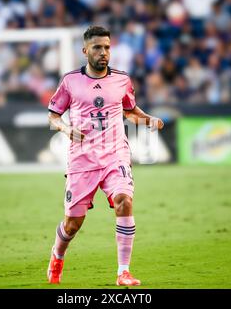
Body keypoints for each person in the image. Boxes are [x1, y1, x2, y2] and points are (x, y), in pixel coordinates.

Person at [46, 26, 164, 286]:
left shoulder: (122, 79)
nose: (104, 53)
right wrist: (66, 129)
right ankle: (57, 255)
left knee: (124, 200)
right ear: (85, 50)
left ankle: (123, 271)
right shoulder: (70, 81)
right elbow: (53, 116)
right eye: (98, 47)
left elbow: (130, 111)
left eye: (107, 47)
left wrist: (148, 120)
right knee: (73, 224)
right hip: (82, 159)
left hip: (115, 154)